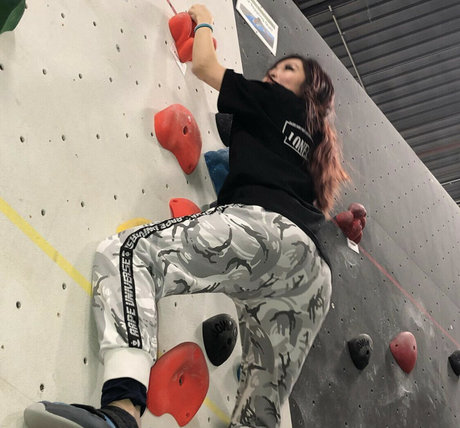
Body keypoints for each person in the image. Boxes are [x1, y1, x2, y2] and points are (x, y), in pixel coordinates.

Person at [24, 4, 349, 428]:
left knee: (130, 253)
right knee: (262, 403)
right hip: (313, 279)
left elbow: (204, 65)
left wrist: (205, 18)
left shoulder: (272, 99)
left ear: (309, 88)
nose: (274, 72)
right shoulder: (317, 147)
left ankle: (121, 413)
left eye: (288, 69)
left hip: (266, 232)